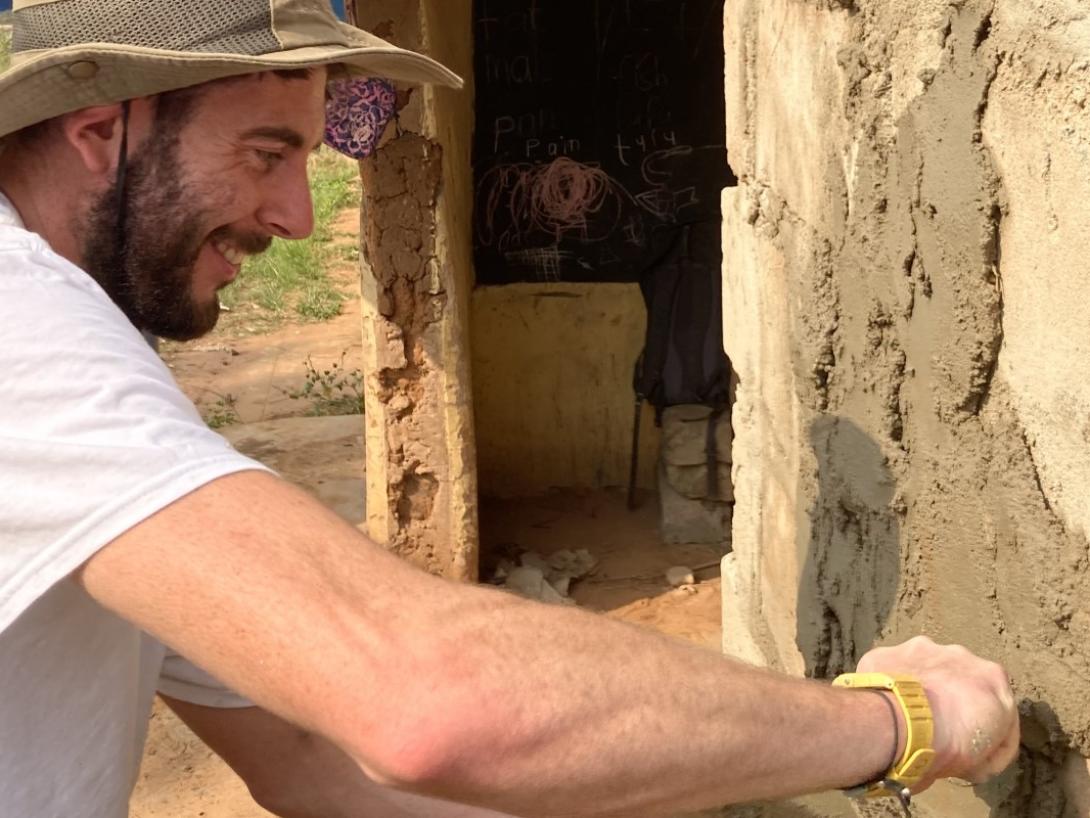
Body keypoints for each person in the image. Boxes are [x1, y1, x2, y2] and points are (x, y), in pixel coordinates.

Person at [0, 2, 1019, 817]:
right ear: (99, 133)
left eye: (306, 161)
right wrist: (903, 723)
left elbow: (312, 755)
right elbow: (425, 700)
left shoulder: (76, 348)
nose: (297, 216)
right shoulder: (27, 329)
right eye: (268, 154)